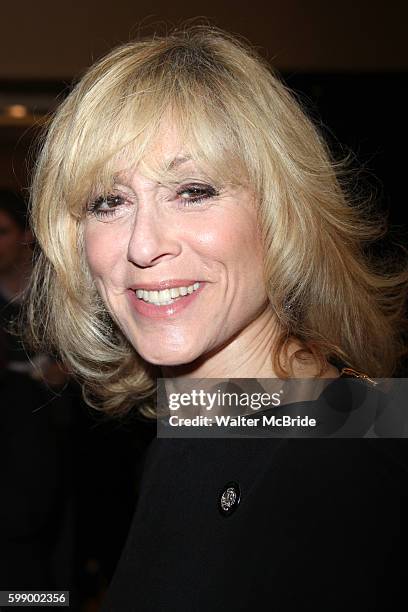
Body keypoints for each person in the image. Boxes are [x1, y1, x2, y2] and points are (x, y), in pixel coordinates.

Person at [25, 26, 407, 611]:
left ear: (283, 212)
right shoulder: (207, 417)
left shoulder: (351, 463)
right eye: (110, 202)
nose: (144, 245)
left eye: (194, 190)